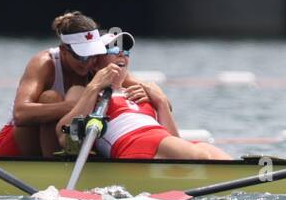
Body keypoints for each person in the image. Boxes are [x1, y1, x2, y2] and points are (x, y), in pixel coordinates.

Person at [57, 33, 232, 160]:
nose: (121, 53)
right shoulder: (84, 90)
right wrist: (95, 86)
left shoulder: (136, 91)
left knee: (214, 153)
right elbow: (63, 135)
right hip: (130, 144)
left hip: (159, 140)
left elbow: (173, 138)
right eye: (113, 49)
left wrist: (161, 102)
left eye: (126, 51)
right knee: (200, 155)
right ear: (96, 62)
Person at [0, 11, 108, 158]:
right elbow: (20, 114)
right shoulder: (44, 63)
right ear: (63, 50)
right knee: (50, 97)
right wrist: (75, 106)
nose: (89, 62)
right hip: (16, 147)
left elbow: (131, 82)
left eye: (94, 54)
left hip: (62, 143)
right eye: (82, 56)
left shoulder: (97, 63)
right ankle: (54, 166)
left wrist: (145, 91)